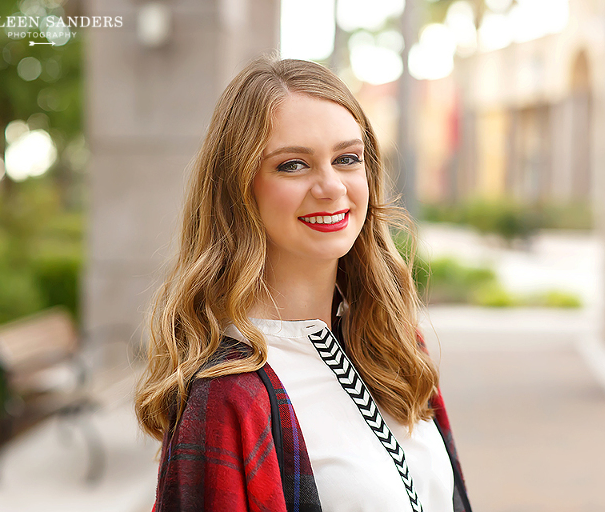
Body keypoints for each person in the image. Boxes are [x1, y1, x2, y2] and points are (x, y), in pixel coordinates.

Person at [135, 56, 472, 512]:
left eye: (347, 158)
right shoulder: (227, 396)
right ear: (238, 188)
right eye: (293, 165)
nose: (331, 186)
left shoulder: (392, 345)